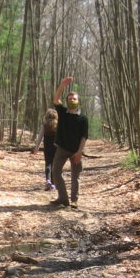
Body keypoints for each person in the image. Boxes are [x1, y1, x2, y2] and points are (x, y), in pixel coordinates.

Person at [50, 75, 88, 209]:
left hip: (76, 150)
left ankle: (74, 201)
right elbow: (55, 99)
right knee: (55, 172)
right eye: (70, 99)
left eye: (74, 99)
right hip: (62, 148)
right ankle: (63, 198)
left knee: (75, 176)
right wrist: (62, 85)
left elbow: (84, 136)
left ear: (78, 101)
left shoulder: (83, 118)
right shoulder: (62, 112)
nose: (72, 100)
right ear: (67, 101)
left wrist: (79, 152)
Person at [31, 108, 58, 190]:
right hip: (56, 148)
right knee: (55, 165)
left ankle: (48, 180)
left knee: (48, 163)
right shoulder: (57, 125)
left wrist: (37, 147)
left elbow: (40, 136)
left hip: (47, 147)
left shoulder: (44, 125)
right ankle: (53, 183)